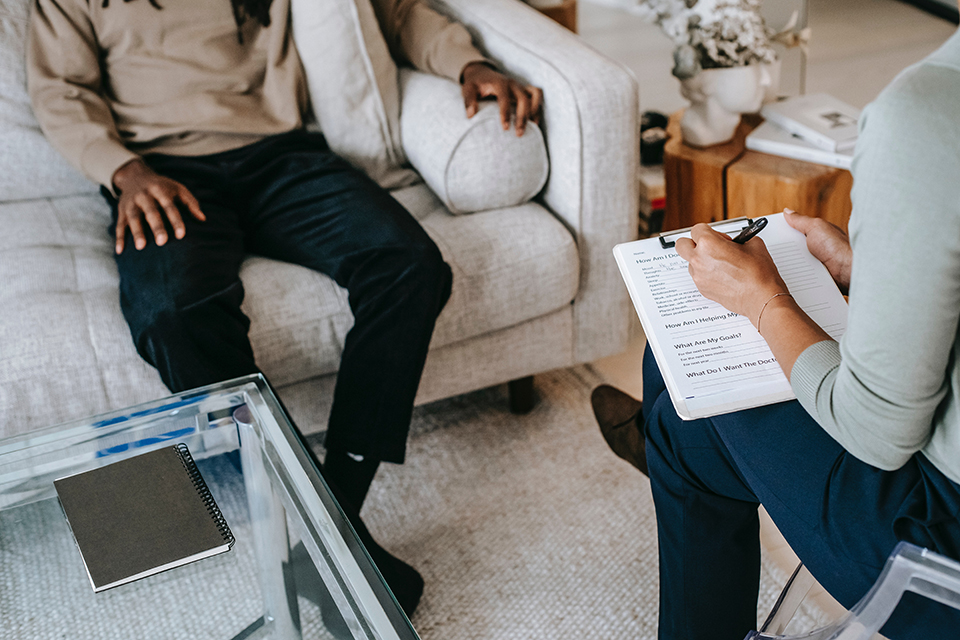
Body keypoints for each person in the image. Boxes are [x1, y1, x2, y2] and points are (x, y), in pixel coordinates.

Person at [27, 0, 542, 615]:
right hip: (159, 171)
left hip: (283, 155)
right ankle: (328, 529)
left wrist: (469, 62)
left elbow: (399, 13)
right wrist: (125, 173)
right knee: (172, 315)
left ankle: (329, 517)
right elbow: (61, 90)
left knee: (409, 267)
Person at [592, 17, 960, 640]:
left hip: (936, 549)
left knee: (682, 390)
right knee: (687, 408)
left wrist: (762, 299)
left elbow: (879, 430)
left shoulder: (929, 112)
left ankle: (673, 455)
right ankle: (679, 454)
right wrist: (875, 271)